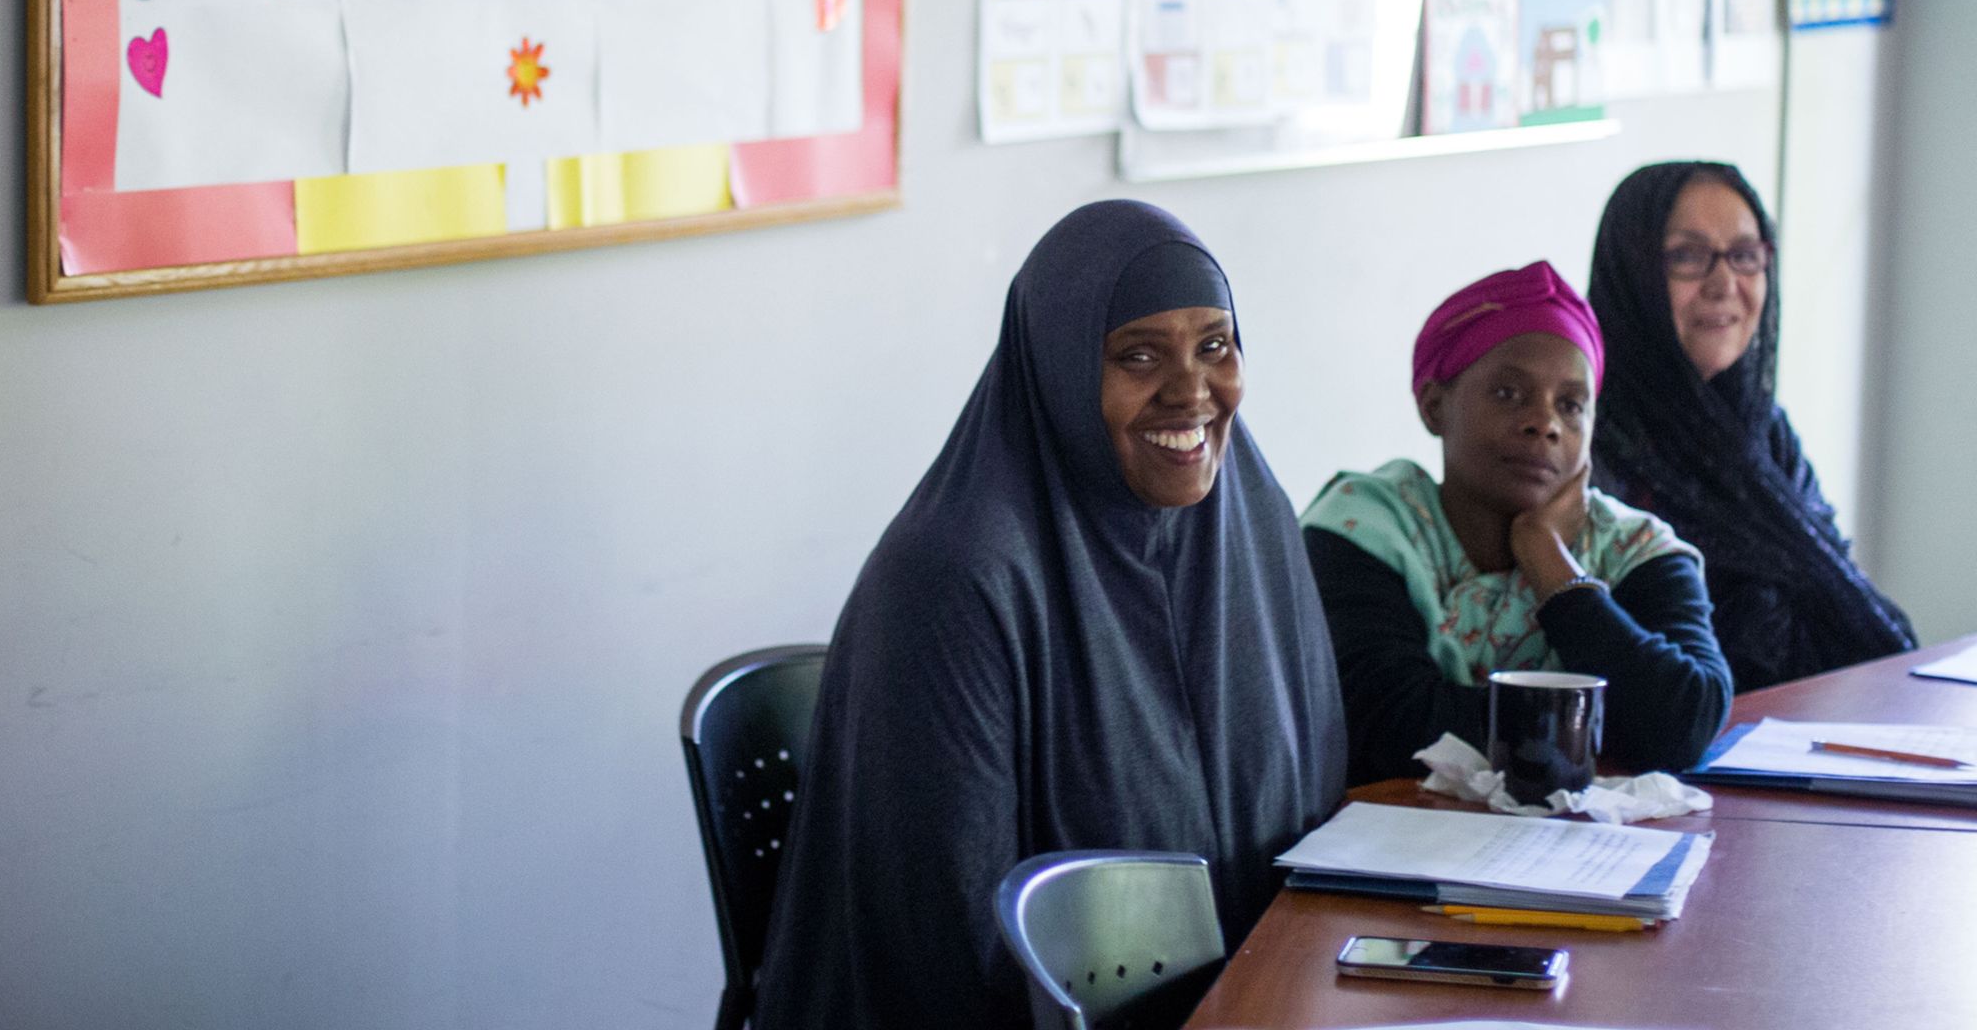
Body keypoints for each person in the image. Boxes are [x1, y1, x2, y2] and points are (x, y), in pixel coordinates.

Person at [751, 202, 1343, 1030]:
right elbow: (952, 948)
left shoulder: (1253, 520)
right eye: (1139, 356)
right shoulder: (953, 581)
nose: (1192, 392)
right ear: (1059, 371)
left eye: (1215, 345)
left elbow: (1303, 829)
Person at [1301, 263, 1731, 787]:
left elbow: (1685, 723)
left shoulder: (1632, 546)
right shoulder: (1364, 526)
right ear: (1435, 406)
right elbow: (1392, 728)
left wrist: (1553, 567)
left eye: (1571, 405)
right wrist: (1610, 721)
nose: (1544, 423)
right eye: (1508, 394)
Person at [1588, 161, 1915, 689]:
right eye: (1688, 257)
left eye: (1744, 256)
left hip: (1807, 734)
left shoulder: (1761, 432)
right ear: (1634, 273)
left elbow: (1846, 599)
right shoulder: (1585, 436)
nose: (1724, 284)